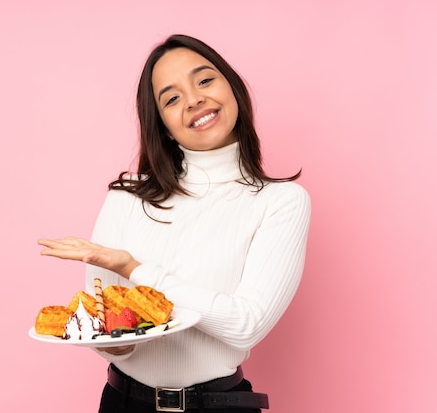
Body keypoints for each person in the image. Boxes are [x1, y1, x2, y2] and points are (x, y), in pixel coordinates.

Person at [38, 34, 311, 412]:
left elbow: (247, 323)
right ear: (163, 125)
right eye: (171, 98)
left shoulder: (279, 202)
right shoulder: (128, 195)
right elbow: (112, 328)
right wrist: (110, 338)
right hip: (124, 402)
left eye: (204, 80)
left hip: (219, 404)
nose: (195, 99)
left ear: (232, 88)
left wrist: (133, 269)